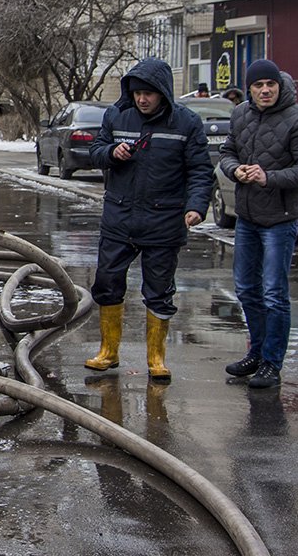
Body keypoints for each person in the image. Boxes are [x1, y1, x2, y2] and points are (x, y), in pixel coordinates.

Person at [84, 58, 214, 381]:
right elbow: (96, 150)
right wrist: (112, 153)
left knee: (158, 290)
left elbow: (200, 171)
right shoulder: (116, 114)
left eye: (149, 94)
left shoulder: (186, 124)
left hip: (164, 222)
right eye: (138, 93)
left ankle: (156, 358)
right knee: (108, 283)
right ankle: (108, 351)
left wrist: (197, 206)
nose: (142, 99)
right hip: (119, 218)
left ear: (163, 94)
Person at [218, 59, 298, 389]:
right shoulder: (240, 114)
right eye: (258, 85)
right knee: (247, 289)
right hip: (247, 217)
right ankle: (256, 353)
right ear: (248, 89)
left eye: (270, 85)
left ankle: (272, 364)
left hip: (280, 219)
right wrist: (235, 170)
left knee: (274, 293)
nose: (265, 90)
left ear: (279, 86)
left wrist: (268, 177)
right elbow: (227, 151)